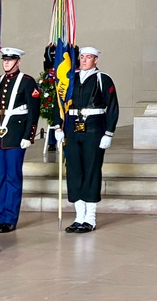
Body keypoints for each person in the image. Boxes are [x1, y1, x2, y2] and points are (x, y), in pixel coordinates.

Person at [54, 46, 119, 233]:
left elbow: (113, 107)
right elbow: (59, 102)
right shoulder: (69, 79)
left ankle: (90, 218)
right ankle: (78, 216)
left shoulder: (102, 79)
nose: (83, 60)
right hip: (72, 129)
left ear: (95, 60)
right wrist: (57, 126)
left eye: (88, 57)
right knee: (74, 171)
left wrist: (109, 133)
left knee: (91, 170)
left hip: (93, 129)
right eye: (82, 57)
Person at [0, 47, 40, 233]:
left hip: (15, 135)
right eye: (4, 59)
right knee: (0, 177)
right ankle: (0, 217)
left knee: (13, 177)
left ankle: (10, 218)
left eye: (10, 60)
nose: (6, 63)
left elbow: (33, 112)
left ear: (18, 62)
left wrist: (28, 136)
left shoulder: (27, 82)